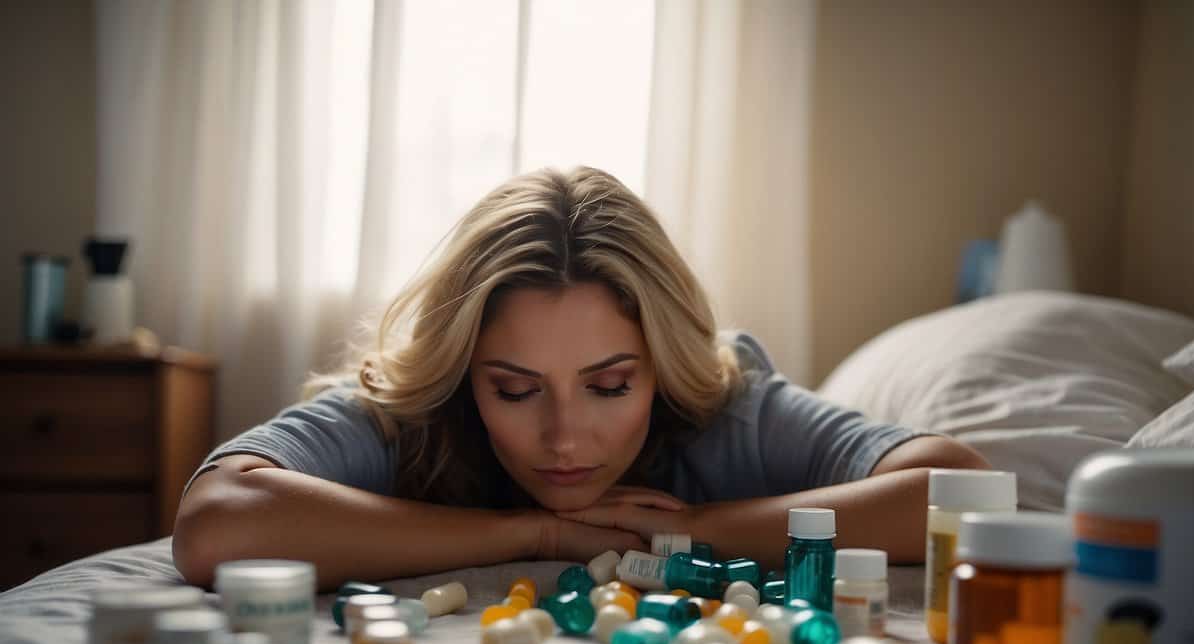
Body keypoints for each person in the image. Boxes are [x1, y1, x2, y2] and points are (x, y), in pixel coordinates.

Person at [173, 166, 989, 590]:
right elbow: (215, 520)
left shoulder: (723, 403)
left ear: (659, 367)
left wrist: (695, 528)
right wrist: (536, 535)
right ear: (466, 373)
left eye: (608, 386)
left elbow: (964, 490)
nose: (564, 439)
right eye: (515, 390)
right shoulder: (413, 406)